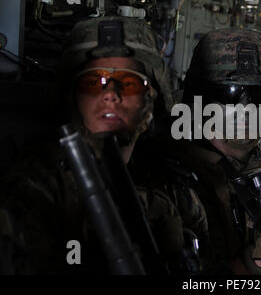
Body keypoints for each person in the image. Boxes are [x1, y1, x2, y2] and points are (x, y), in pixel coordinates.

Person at [0, 16, 201, 274]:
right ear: (73, 97)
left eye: (129, 84)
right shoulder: (32, 192)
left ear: (151, 101)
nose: (110, 94)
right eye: (94, 82)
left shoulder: (169, 192)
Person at [140, 28, 261, 275]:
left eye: (259, 95)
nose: (245, 108)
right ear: (198, 100)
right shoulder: (162, 181)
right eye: (229, 93)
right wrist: (252, 263)